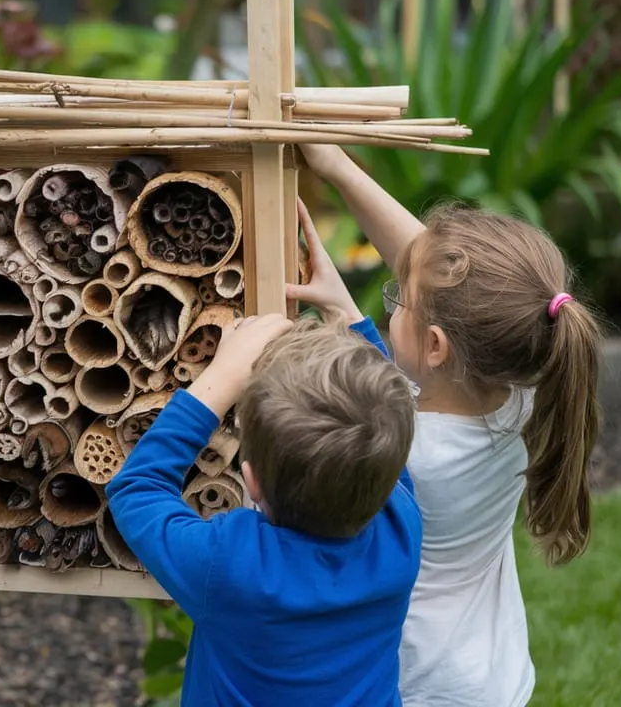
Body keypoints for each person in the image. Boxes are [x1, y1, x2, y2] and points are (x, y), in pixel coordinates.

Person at [297, 144, 602, 706]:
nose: (394, 301)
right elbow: (431, 270)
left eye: (400, 301)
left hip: (418, 685)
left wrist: (345, 320)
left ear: (435, 346)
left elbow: (365, 403)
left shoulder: (408, 453)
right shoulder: (527, 389)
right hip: (491, 677)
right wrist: (336, 168)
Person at [106, 212, 421, 707]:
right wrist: (349, 315)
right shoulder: (402, 531)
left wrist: (222, 376)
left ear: (249, 480)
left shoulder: (229, 565)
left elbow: (136, 488)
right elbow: (383, 425)